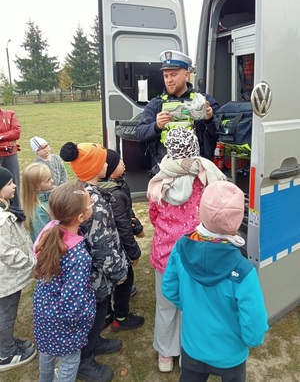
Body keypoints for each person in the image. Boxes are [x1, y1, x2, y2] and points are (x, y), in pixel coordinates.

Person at [162, 181, 269, 382]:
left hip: (193, 346)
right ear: (238, 221)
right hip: (230, 354)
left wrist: (189, 306)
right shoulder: (244, 271)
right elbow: (254, 320)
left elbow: (169, 288)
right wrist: (253, 340)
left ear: (201, 212)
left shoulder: (180, 248)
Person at [147, 127, 226, 373]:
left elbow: (153, 215)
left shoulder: (159, 181)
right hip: (196, 255)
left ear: (169, 151)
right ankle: (187, 352)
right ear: (194, 149)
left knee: (166, 304)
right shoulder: (205, 179)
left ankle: (165, 355)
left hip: (165, 256)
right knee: (191, 306)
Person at [60, 141, 128, 382]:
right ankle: (84, 361)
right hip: (94, 276)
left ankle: (95, 340)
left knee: (97, 313)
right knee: (96, 312)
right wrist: (119, 272)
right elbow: (102, 245)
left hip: (92, 273)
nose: (106, 164)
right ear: (97, 168)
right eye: (103, 162)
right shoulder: (94, 205)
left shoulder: (83, 191)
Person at [33, 181, 96, 382]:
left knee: (47, 353)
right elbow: (73, 302)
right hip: (64, 322)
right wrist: (86, 318)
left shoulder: (49, 231)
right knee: (69, 361)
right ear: (80, 217)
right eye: (90, 203)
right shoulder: (78, 256)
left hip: (44, 312)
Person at [136, 50, 219, 175]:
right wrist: (156, 126)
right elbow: (140, 133)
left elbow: (220, 133)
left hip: (197, 172)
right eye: (166, 76)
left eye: (173, 74)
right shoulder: (156, 104)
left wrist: (209, 119)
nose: (169, 80)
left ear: (186, 75)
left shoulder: (203, 101)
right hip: (166, 172)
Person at [98, 149, 144, 332]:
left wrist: (138, 226)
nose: (124, 163)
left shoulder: (115, 186)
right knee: (124, 280)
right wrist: (133, 251)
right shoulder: (115, 195)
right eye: (119, 162)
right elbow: (123, 227)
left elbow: (128, 213)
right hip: (118, 248)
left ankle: (106, 315)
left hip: (109, 248)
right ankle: (121, 318)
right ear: (108, 169)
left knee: (108, 282)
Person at [0, 167, 37, 372]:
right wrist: (31, 263)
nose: (14, 186)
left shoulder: (5, 209)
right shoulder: (1, 220)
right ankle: (5, 355)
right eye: (8, 184)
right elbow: (6, 252)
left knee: (5, 314)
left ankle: (6, 343)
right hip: (4, 280)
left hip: (7, 278)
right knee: (6, 314)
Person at [22, 163, 54, 242]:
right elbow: (44, 239)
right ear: (37, 186)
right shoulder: (37, 212)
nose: (52, 181)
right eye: (48, 180)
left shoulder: (51, 195)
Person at [0, 108, 22, 207]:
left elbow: (16, 132)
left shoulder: (10, 114)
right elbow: (12, 135)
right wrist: (8, 139)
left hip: (10, 155)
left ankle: (17, 214)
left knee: (14, 186)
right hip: (8, 149)